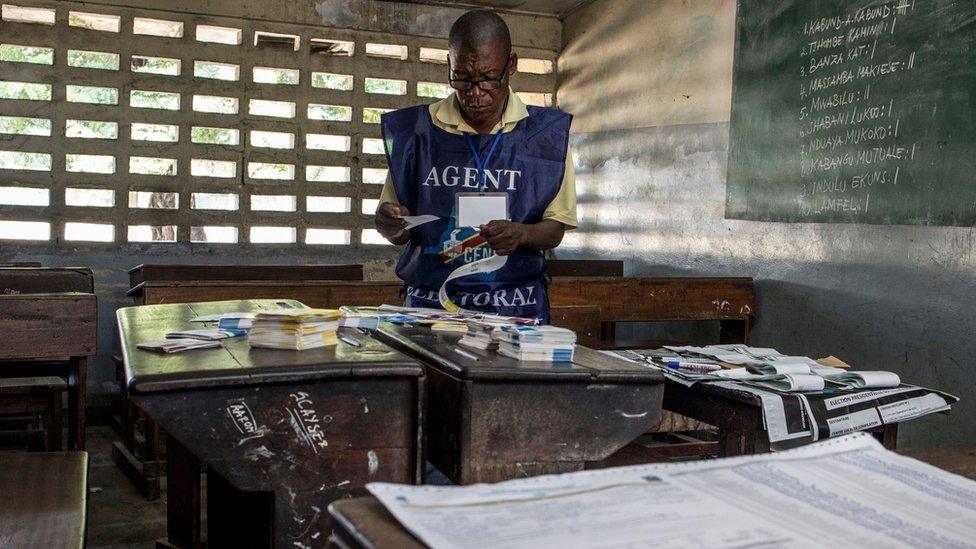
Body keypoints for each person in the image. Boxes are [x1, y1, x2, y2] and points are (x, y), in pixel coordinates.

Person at [374, 9, 576, 324]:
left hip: (515, 308)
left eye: (488, 79)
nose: (475, 93)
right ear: (448, 67)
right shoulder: (415, 134)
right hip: (431, 309)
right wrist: (389, 225)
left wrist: (520, 234)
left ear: (511, 66)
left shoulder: (545, 138)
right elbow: (399, 230)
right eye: (463, 79)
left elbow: (555, 229)